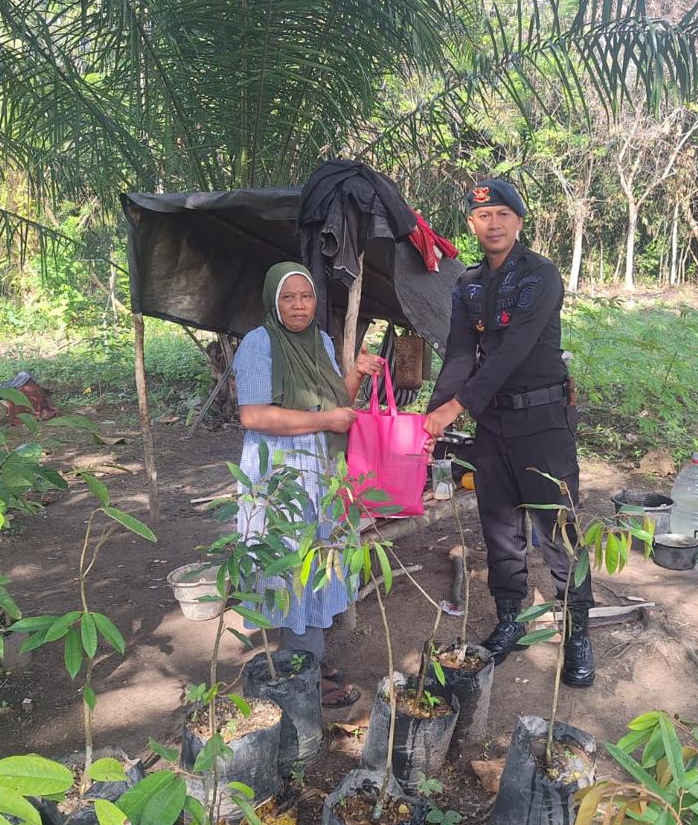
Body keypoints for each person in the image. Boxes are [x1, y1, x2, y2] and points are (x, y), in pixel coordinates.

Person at [423, 179, 595, 688]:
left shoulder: (541, 275)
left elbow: (514, 349)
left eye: (502, 214)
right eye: (483, 216)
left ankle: (577, 631)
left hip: (542, 422)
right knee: (499, 529)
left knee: (557, 530)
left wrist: (458, 405)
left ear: (519, 220)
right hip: (492, 425)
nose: (493, 224)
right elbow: (460, 353)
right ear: (471, 224)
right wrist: (433, 419)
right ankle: (509, 621)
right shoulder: (468, 284)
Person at [233, 261, 383, 707]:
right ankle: (301, 675)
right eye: (288, 297)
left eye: (306, 296)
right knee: (291, 558)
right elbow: (253, 415)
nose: (299, 305)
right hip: (281, 470)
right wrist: (324, 421)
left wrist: (356, 372)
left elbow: (337, 404)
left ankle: (306, 659)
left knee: (320, 556)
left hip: (322, 466)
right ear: (273, 301)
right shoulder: (259, 344)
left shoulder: (320, 341)